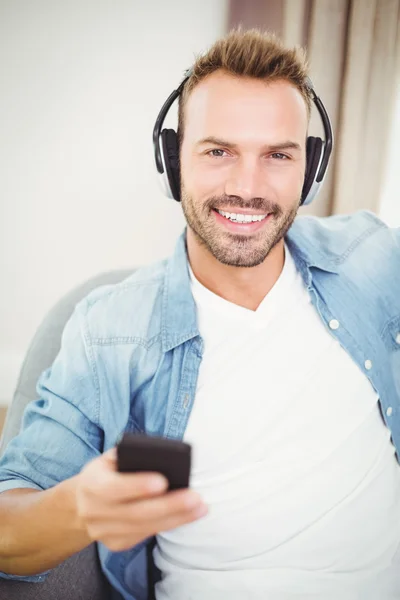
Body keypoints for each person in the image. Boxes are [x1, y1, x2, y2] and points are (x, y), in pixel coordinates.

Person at [0, 28, 399, 600]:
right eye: (218, 151)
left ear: (309, 169)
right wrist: (75, 507)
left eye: (278, 155)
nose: (247, 186)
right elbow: (7, 529)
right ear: (173, 159)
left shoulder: (373, 258)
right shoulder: (109, 330)